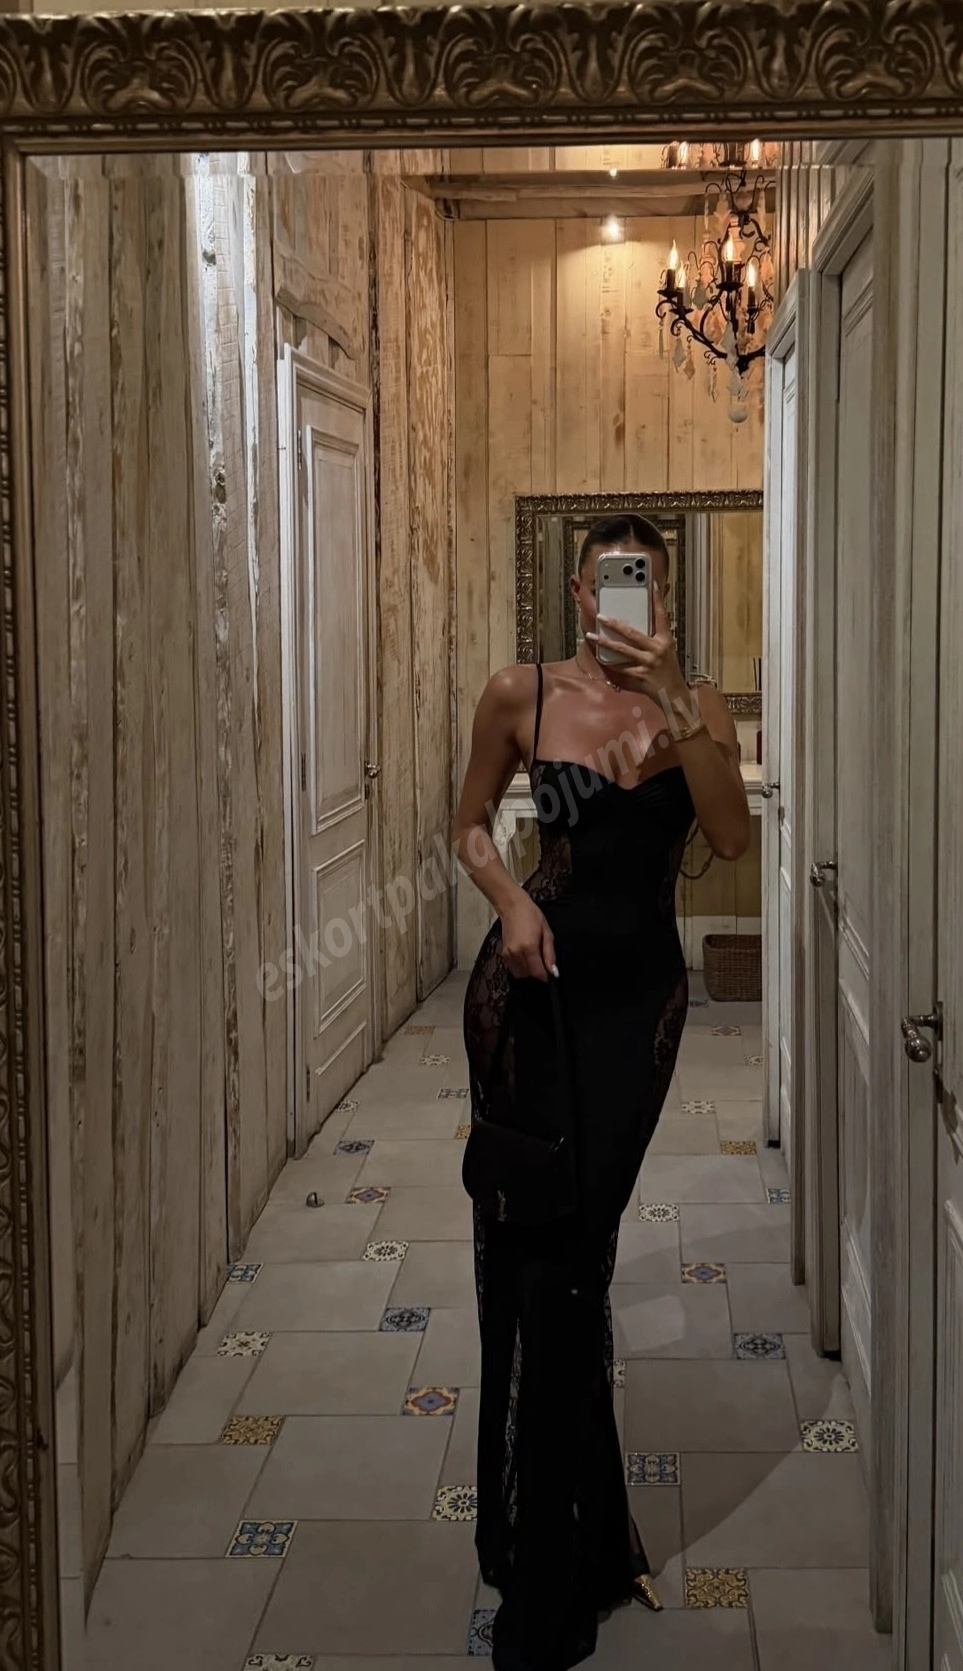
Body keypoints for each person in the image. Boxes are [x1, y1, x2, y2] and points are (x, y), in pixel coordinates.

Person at [453, 513, 751, 1671]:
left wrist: (674, 694)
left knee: (576, 1255)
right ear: (580, 592)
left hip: (640, 1006)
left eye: (649, 583)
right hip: (527, 997)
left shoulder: (698, 705)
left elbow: (728, 835)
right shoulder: (518, 693)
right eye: (612, 581)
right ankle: (549, 1566)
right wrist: (511, 903)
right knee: (543, 1265)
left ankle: (558, 1539)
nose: (630, 598)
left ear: (665, 596)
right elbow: (467, 828)